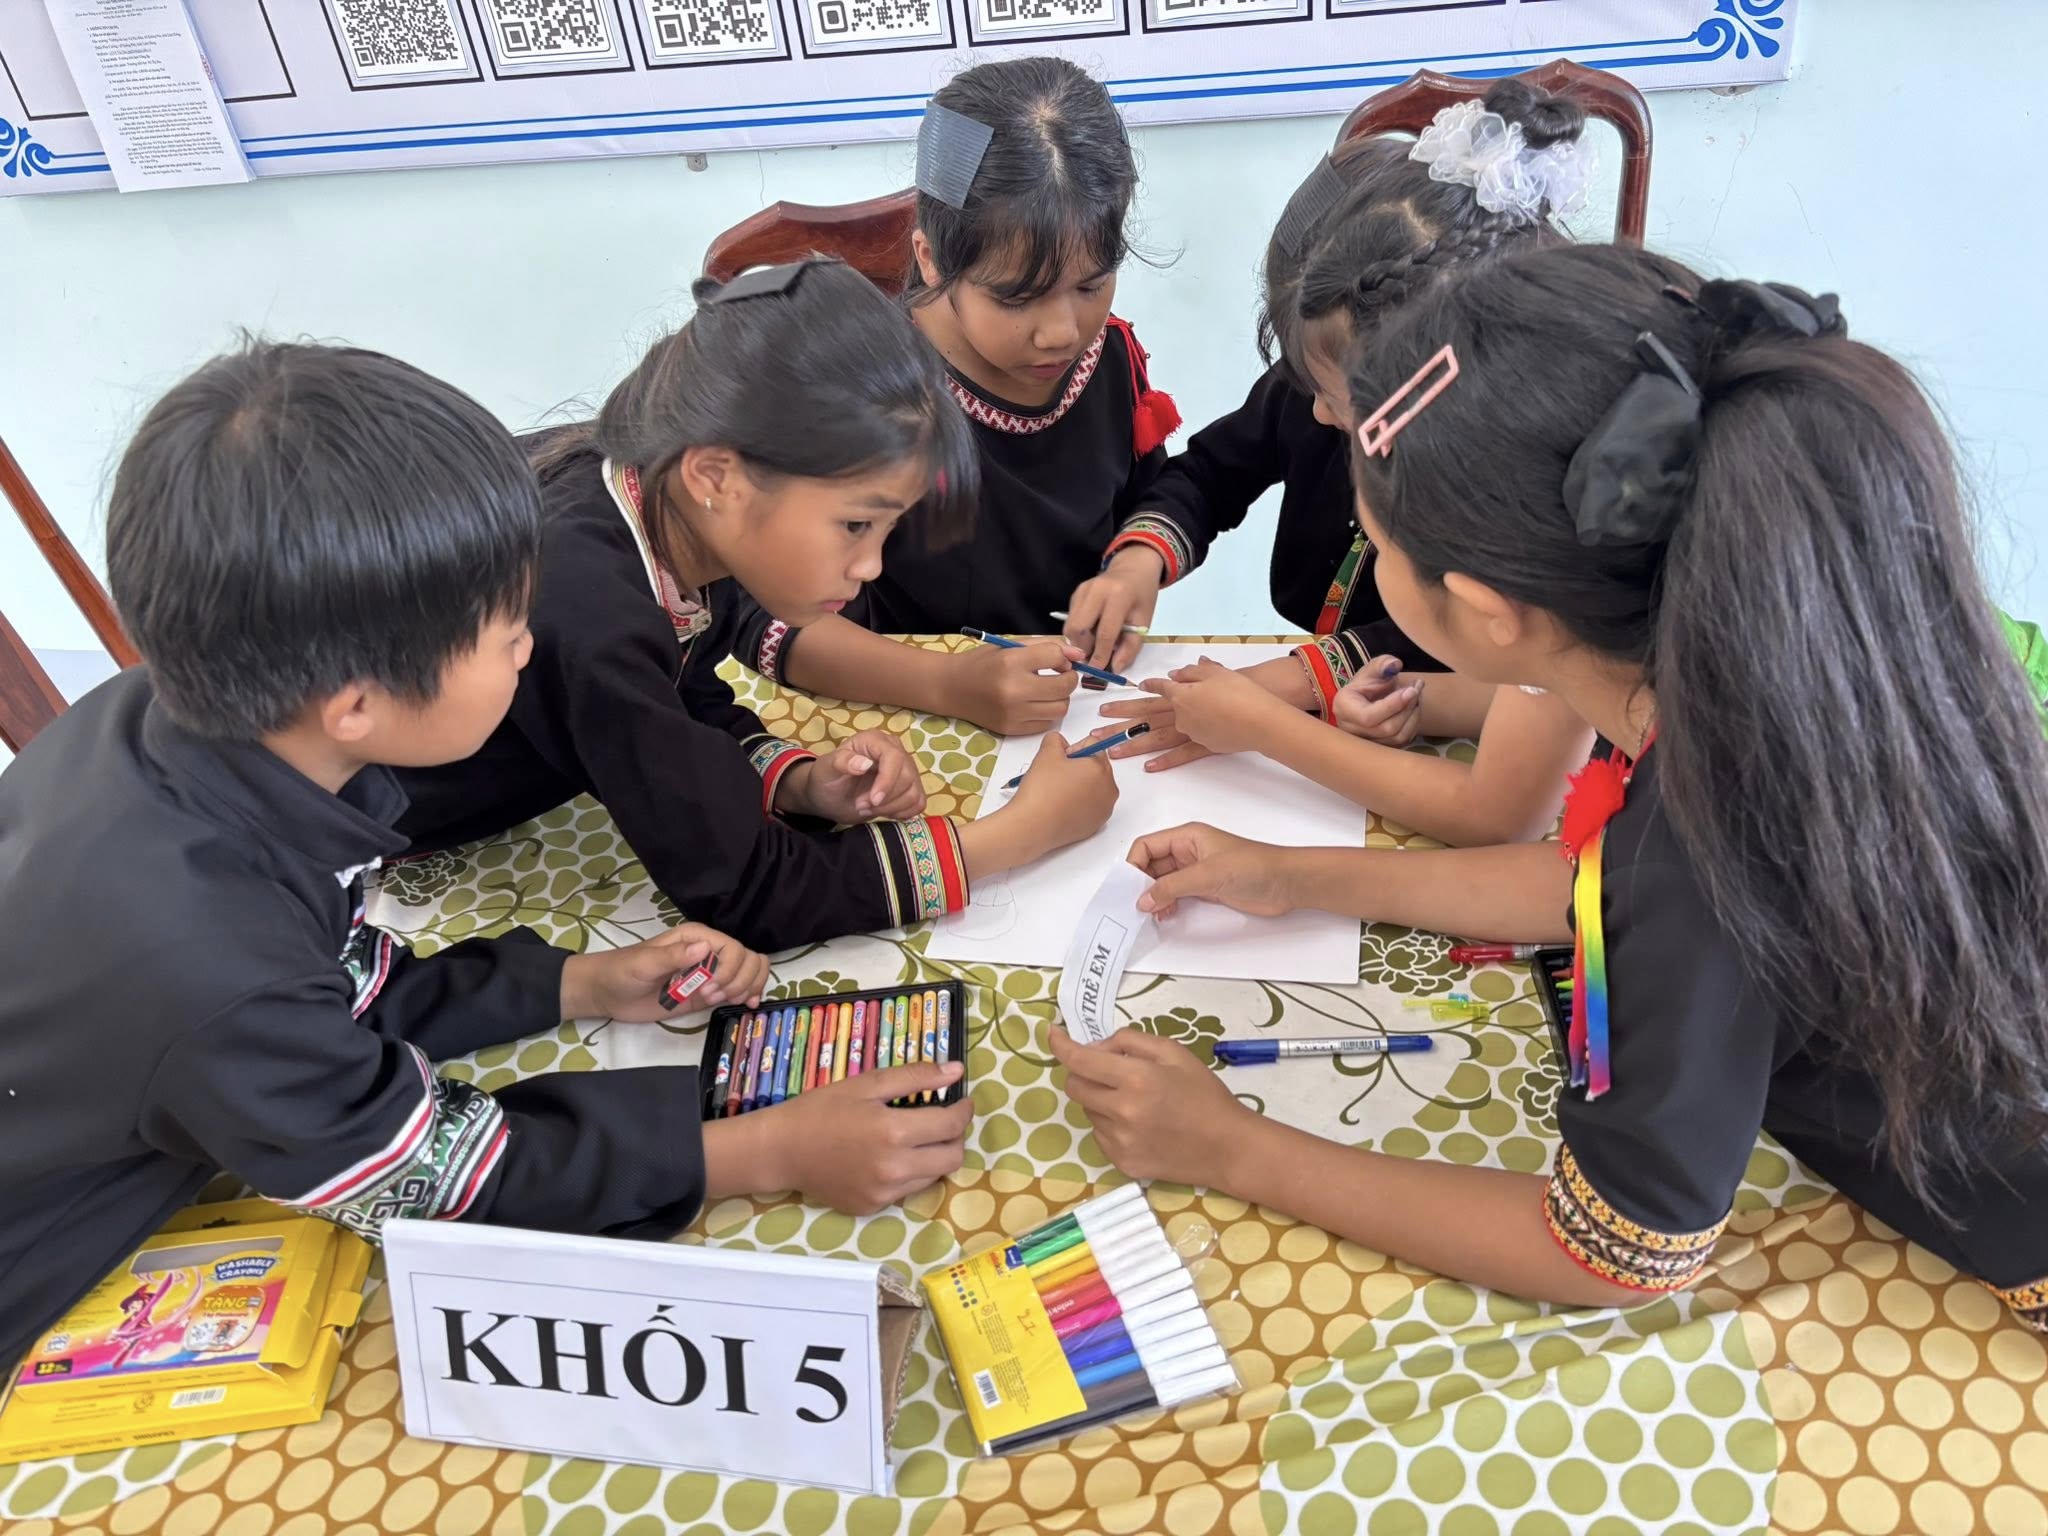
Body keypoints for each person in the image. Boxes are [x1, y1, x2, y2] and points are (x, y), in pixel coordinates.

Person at [1055, 244, 2048, 1326]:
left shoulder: (1710, 830)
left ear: (1488, 611)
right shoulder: (1768, 650)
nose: (1372, 566)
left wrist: (1231, 1146)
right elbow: (1591, 884)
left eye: (1378, 547)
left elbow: (1616, 1252)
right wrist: (1286, 874)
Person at [0, 341, 976, 1369]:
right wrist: (764, 1149)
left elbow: (329, 986)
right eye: (507, 627)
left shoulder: (169, 727)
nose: (527, 644)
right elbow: (430, 1176)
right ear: (357, 703)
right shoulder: (206, 962)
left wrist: (573, 983)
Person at [394, 259, 1118, 950]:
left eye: (888, 528)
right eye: (856, 525)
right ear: (717, 477)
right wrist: (1018, 834)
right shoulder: (587, 608)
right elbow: (749, 890)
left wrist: (799, 783)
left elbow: (677, 697)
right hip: (387, 855)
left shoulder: (650, 501)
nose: (871, 567)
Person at [1094, 82, 1600, 847]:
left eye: (1337, 399)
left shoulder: (1534, 537)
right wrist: (1142, 558)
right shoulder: (1322, 383)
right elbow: (1215, 471)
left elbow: (1500, 808)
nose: (1322, 416)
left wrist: (1281, 707)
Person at [732, 57, 1180, 737]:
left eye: (1091, 285)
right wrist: (948, 683)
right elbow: (759, 617)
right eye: (1017, 297)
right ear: (931, 257)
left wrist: (1133, 564)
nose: (1062, 332)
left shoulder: (1110, 355)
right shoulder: (857, 391)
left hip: (1065, 702)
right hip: (896, 712)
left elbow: (1152, 494)